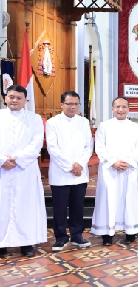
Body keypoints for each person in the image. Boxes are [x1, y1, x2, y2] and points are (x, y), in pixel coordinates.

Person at [91, 97, 138, 245]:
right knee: (109, 199)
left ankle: (130, 231)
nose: (121, 110)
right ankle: (107, 234)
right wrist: (114, 162)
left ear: (128, 109)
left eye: (124, 107)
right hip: (110, 170)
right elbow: (100, 147)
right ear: (112, 109)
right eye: (117, 107)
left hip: (130, 169)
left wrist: (128, 162)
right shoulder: (104, 126)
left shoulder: (135, 127)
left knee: (130, 198)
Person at [0, 85, 46, 257]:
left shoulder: (34, 119)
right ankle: (1, 243)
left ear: (25, 100)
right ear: (5, 98)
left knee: (26, 205)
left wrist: (16, 159)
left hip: (24, 170)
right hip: (1, 170)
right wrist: (2, 160)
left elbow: (36, 143)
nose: (14, 100)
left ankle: (26, 242)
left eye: (19, 98)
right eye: (11, 97)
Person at [46, 91, 93, 251]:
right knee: (59, 207)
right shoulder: (53, 123)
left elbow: (88, 146)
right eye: (69, 104)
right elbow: (53, 148)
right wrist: (70, 166)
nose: (72, 107)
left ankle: (77, 235)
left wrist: (80, 164)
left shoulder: (84, 122)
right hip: (61, 173)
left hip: (80, 173)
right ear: (62, 105)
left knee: (77, 205)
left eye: (75, 104)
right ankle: (60, 237)